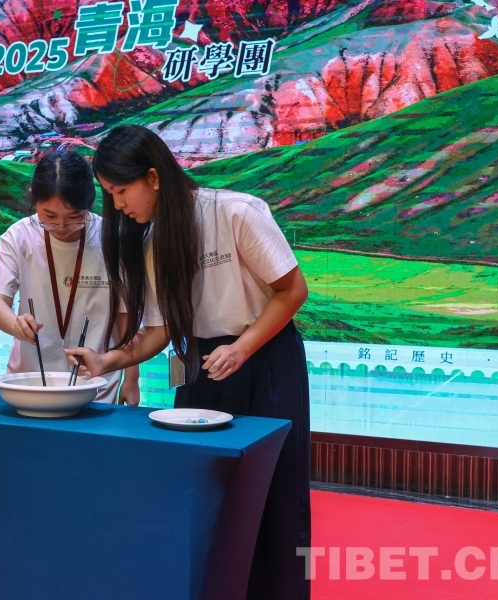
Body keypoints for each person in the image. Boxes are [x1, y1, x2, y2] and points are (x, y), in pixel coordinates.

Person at [66, 125, 311, 599]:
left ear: (154, 177)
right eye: (109, 194)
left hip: (266, 361)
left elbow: (292, 290)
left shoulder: (236, 212)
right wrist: (105, 361)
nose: (117, 204)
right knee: (207, 493)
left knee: (275, 491)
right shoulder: (153, 241)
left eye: (121, 191)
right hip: (202, 368)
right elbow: (158, 331)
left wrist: (243, 347)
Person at [0, 149, 140, 405]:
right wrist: (15, 324)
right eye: (49, 216)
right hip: (31, 379)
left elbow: (125, 316)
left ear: (89, 203)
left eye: (74, 217)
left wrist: (132, 377)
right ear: (34, 199)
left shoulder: (112, 239)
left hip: (96, 383)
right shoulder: (18, 237)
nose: (61, 227)